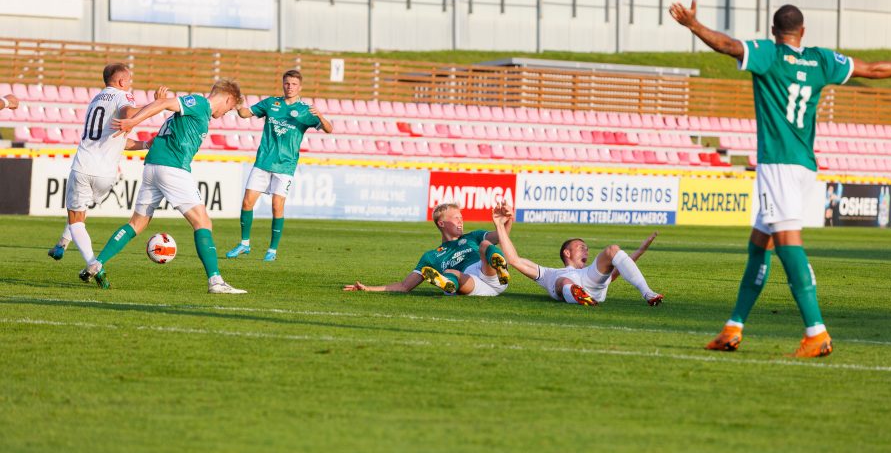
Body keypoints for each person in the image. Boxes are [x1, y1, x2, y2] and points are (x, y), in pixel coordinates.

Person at [670, 0, 891, 357]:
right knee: (759, 245)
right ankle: (733, 327)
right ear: (804, 31)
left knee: (786, 243)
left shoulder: (768, 55)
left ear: (773, 31)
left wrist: (693, 24)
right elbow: (873, 69)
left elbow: (727, 45)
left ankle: (816, 332)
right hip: (804, 165)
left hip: (778, 163)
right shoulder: (821, 60)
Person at [81, 79, 246, 294]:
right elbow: (164, 104)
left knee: (137, 224)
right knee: (203, 222)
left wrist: (156, 106)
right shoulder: (200, 103)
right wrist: (134, 122)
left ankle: (97, 263)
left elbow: (164, 106)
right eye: (230, 108)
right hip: (172, 167)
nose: (227, 112)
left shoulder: (197, 112)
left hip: (153, 166)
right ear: (227, 98)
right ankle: (215, 281)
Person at [46, 63, 166, 267]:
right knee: (79, 210)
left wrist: (146, 135)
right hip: (106, 174)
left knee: (76, 217)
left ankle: (92, 263)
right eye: (129, 79)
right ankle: (62, 243)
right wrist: (157, 105)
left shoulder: (96, 100)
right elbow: (127, 118)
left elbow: (118, 132)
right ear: (121, 81)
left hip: (83, 165)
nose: (130, 83)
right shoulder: (123, 96)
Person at [226, 70, 333, 262]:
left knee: (277, 207)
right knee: (247, 202)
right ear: (283, 84)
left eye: (293, 84)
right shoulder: (271, 103)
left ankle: (272, 250)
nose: (289, 87)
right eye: (287, 83)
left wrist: (321, 116)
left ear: (300, 87)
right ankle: (244, 244)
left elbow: (329, 129)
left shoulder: (305, 111)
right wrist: (237, 104)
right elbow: (245, 114)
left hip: (285, 166)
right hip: (263, 162)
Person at [491, 203, 663, 306]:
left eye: (587, 248)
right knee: (563, 281)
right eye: (581, 247)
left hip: (591, 282)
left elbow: (624, 264)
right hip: (569, 284)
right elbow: (513, 260)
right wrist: (500, 225)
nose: (586, 250)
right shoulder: (548, 272)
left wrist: (641, 249)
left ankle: (648, 293)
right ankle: (577, 295)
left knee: (612, 249)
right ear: (567, 252)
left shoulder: (589, 271)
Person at [343, 202, 511, 296]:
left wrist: (507, 220)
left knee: (485, 245)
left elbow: (500, 236)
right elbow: (404, 286)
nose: (461, 222)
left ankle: (500, 268)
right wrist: (368, 288)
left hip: (490, 275)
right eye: (456, 218)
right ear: (441, 223)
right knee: (453, 273)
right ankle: (448, 284)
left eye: (462, 218)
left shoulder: (472, 236)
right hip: (472, 285)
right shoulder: (431, 257)